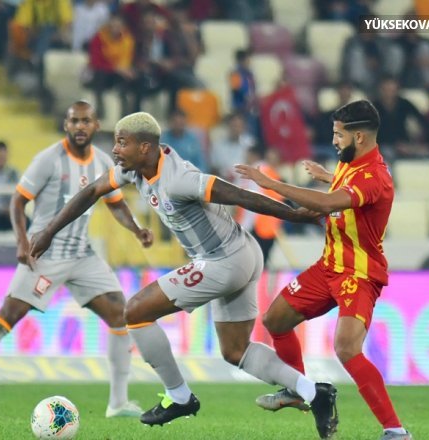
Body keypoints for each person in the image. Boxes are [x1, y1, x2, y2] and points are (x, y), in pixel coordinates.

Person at [28, 112, 338, 437]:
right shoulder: (134, 169)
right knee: (236, 351)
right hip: (242, 254)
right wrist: (49, 231)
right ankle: (314, 393)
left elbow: (239, 195)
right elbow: (92, 192)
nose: (115, 149)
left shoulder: (179, 179)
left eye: (122, 142)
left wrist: (295, 216)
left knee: (135, 312)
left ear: (144, 147)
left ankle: (179, 397)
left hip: (224, 261)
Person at [0, 101, 153, 419]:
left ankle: (118, 402)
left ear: (96, 126)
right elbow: (17, 201)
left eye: (86, 121)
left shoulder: (103, 161)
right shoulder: (48, 159)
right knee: (8, 316)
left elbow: (116, 203)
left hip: (81, 254)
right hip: (44, 254)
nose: (80, 126)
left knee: (121, 314)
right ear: (66, 125)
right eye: (74, 121)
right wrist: (22, 241)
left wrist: (137, 229)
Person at [235, 100, 411, 440]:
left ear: (359, 137)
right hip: (328, 265)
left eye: (338, 135)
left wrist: (270, 183)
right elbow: (343, 191)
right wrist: (328, 177)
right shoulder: (351, 163)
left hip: (358, 273)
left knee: (346, 348)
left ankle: (395, 430)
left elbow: (331, 202)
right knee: (276, 320)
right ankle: (298, 389)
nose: (333, 141)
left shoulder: (374, 176)